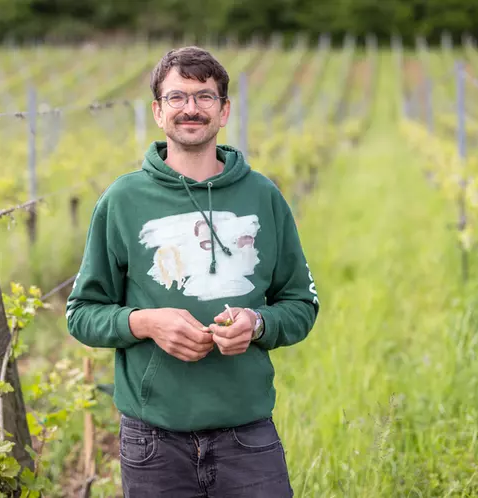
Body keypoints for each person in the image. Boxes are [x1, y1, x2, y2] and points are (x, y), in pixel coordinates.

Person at [65, 45, 320, 497]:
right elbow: (82, 312)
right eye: (177, 97)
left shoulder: (263, 197)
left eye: (204, 97)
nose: (191, 109)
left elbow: (301, 303)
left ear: (224, 111)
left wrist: (258, 323)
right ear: (158, 112)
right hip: (152, 439)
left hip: (248, 434)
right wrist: (145, 322)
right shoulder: (123, 201)